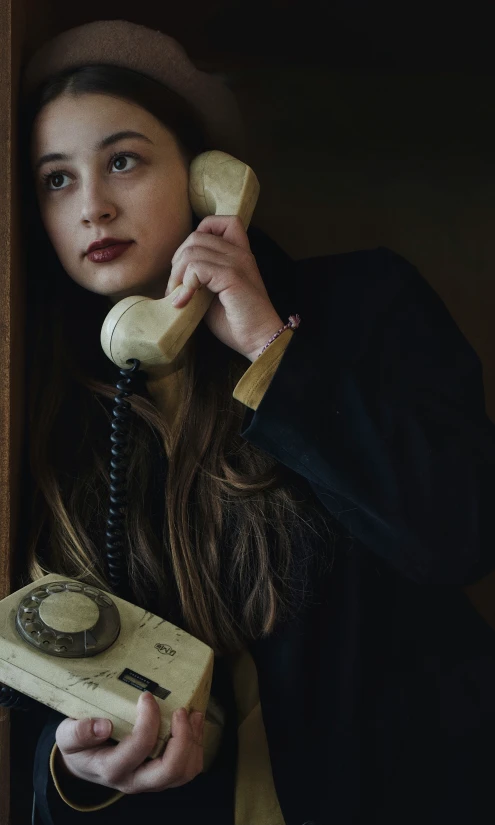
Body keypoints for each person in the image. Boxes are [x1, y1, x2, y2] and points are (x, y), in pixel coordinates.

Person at [11, 18, 495, 825]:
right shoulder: (44, 399)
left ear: (207, 178)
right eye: (56, 180)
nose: (92, 206)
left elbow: (457, 533)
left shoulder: (364, 305)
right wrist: (80, 767)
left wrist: (272, 350)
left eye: (122, 160)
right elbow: (36, 711)